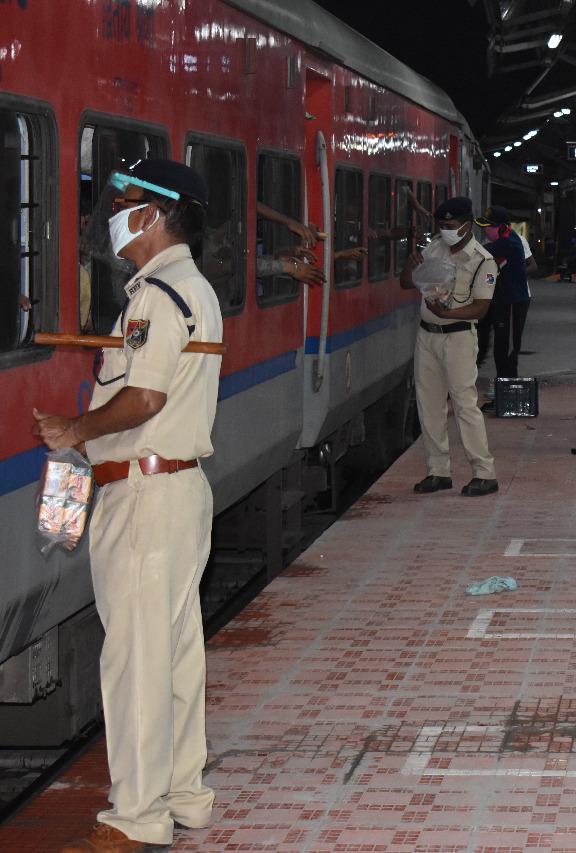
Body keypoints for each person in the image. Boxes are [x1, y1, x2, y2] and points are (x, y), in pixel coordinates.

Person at [32, 159, 223, 852]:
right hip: (170, 488)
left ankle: (139, 812)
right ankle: (184, 795)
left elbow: (144, 397)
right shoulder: (185, 287)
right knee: (172, 652)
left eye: (130, 202)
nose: (117, 213)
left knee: (136, 658)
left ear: (159, 214)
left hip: (145, 493)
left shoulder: (159, 293)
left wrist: (74, 429)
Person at [400, 196, 499, 497]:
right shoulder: (433, 249)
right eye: (441, 225)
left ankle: (485, 473)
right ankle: (438, 471)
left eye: (450, 226)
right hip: (427, 336)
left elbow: (481, 308)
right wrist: (411, 265)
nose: (445, 230)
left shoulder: (483, 259)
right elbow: (406, 283)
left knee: (464, 404)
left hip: (457, 337)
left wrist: (449, 314)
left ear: (467, 226)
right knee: (428, 405)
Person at [475, 206, 531, 384]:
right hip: (502, 299)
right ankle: (502, 390)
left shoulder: (509, 242)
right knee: (500, 347)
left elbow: (476, 254)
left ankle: (508, 389)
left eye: (488, 226)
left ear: (500, 226)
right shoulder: (505, 237)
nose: (485, 229)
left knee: (507, 349)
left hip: (514, 302)